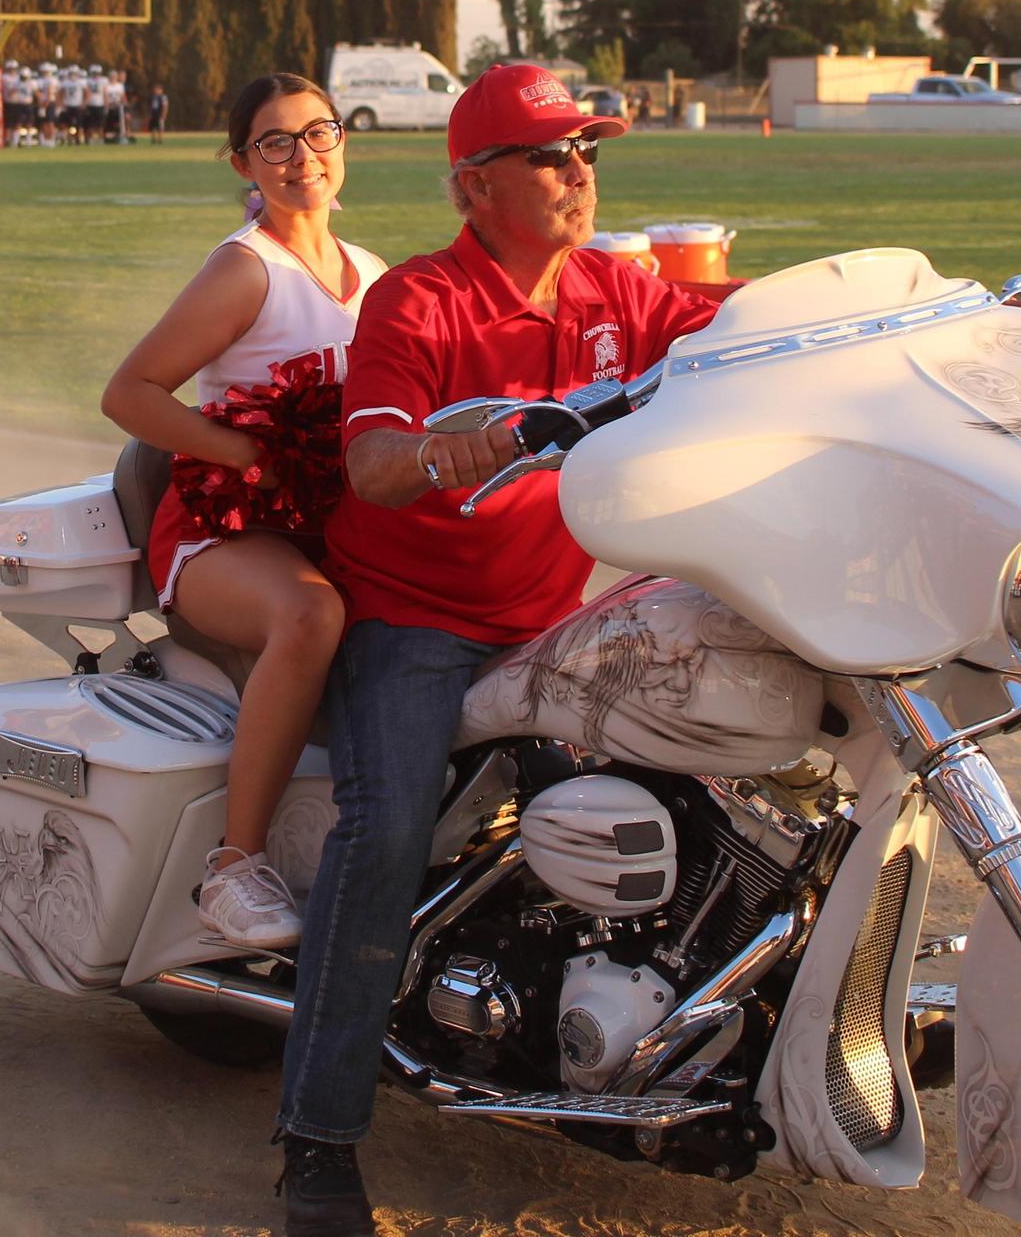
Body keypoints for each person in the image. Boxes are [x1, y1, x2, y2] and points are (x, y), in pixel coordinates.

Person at [269, 63, 717, 1235]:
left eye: (590, 152)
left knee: (687, 779)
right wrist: (450, 449)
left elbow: (744, 341)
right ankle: (317, 1139)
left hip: (556, 615)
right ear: (476, 186)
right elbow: (371, 465)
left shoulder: (621, 285)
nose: (581, 171)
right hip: (417, 616)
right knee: (388, 829)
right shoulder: (419, 303)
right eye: (552, 154)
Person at [101, 72, 387, 955]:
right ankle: (234, 864)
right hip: (222, 529)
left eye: (319, 133)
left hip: (323, 524)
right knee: (312, 613)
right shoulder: (245, 267)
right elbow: (130, 393)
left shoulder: (373, 273)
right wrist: (247, 455)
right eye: (276, 142)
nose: (304, 157)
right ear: (244, 163)